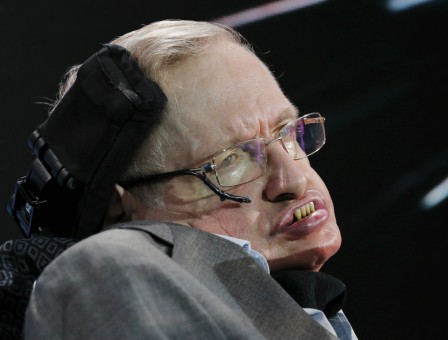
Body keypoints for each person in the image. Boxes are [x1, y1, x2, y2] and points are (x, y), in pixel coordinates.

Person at [17, 19, 357, 339]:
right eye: (231, 161)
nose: (294, 179)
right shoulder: (107, 269)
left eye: (288, 133)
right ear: (119, 205)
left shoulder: (283, 304)